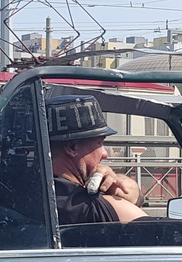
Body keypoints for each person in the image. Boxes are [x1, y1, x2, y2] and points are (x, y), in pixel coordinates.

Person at [46, 94, 146, 224]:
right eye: (99, 143)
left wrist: (115, 181)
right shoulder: (92, 207)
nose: (105, 154)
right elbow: (165, 234)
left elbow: (137, 197)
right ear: (72, 148)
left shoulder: (25, 192)